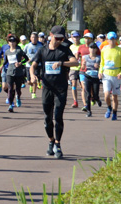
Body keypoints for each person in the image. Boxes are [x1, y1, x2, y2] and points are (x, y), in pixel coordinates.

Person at [29, 25, 78, 159]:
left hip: (61, 89)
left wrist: (62, 63)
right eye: (56, 38)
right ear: (51, 35)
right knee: (47, 118)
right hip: (47, 88)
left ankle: (58, 143)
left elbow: (75, 62)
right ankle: (51, 140)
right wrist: (33, 76)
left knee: (58, 117)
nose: (58, 41)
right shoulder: (42, 50)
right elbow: (33, 66)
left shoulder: (64, 50)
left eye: (61, 39)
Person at [99, 32, 121, 121]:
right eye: (110, 39)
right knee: (106, 95)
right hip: (106, 75)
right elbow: (102, 62)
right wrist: (100, 71)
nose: (112, 41)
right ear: (107, 40)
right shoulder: (104, 49)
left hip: (116, 75)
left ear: (116, 40)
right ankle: (109, 107)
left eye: (114, 39)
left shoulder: (120, 50)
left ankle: (114, 112)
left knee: (114, 96)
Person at [3, 34, 29, 112]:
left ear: (16, 42)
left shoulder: (19, 51)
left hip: (18, 72)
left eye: (13, 41)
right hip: (9, 72)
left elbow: (26, 58)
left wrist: (20, 63)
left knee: (18, 89)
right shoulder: (7, 52)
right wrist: (1, 67)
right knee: (10, 88)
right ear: (8, 43)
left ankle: (18, 98)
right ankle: (11, 105)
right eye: (10, 41)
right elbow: (5, 61)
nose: (12, 42)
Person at [80, 43, 101, 117]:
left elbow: (102, 67)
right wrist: (83, 65)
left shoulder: (99, 58)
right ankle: (89, 111)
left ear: (96, 49)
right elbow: (82, 68)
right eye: (91, 48)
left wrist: (98, 66)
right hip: (87, 76)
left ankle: (97, 98)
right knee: (88, 94)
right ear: (89, 49)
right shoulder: (85, 57)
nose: (92, 50)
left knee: (95, 94)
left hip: (95, 77)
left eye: (94, 48)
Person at [24, 32, 43, 99]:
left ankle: (34, 93)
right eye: (32, 37)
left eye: (35, 37)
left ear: (37, 38)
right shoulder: (27, 46)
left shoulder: (40, 46)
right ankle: (31, 85)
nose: (34, 39)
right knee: (29, 81)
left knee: (35, 79)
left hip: (37, 65)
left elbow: (43, 55)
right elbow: (23, 55)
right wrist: (27, 59)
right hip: (29, 65)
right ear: (30, 38)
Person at [69, 31, 82, 108]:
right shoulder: (71, 47)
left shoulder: (82, 46)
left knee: (82, 86)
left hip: (81, 68)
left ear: (79, 37)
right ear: (72, 38)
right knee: (74, 84)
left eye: (77, 37)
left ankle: (86, 100)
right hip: (73, 68)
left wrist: (79, 56)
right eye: (74, 37)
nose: (76, 38)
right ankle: (75, 101)